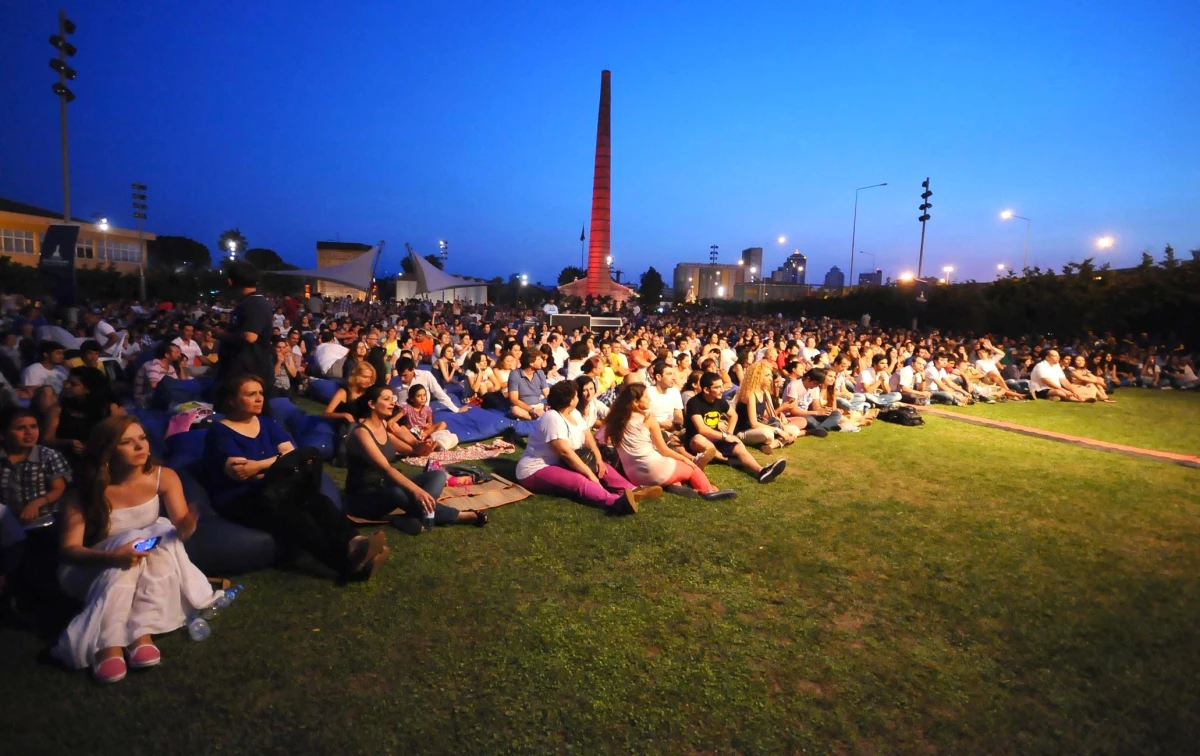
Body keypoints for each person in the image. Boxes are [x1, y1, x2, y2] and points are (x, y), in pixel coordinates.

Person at [51, 416, 215, 683]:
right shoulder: (84, 491)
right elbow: (69, 550)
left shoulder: (165, 476)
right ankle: (111, 643)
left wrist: (187, 525)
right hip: (92, 570)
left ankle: (137, 632)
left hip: (143, 564)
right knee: (139, 537)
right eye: (127, 442)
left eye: (142, 439)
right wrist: (112, 556)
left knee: (158, 534)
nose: (140, 447)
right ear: (107, 450)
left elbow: (180, 534)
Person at [202, 375, 389, 581]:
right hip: (241, 497)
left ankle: (357, 542)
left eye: (261, 393)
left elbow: (291, 455)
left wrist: (259, 466)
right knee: (294, 514)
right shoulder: (220, 431)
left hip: (274, 486)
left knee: (317, 495)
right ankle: (350, 566)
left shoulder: (266, 423)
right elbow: (239, 472)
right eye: (250, 394)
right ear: (231, 399)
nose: (259, 399)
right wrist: (277, 463)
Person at [344, 386, 486, 529]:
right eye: (386, 399)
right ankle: (459, 516)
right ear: (372, 404)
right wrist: (417, 491)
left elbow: (413, 448)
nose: (393, 402)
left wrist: (424, 447)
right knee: (399, 492)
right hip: (363, 498)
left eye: (392, 398)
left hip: (387, 486)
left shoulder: (383, 424)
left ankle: (414, 515)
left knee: (438, 475)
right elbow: (386, 469)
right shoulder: (361, 433)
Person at [517, 381, 659, 514]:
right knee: (579, 481)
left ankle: (632, 490)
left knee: (602, 467)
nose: (578, 396)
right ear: (570, 400)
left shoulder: (573, 413)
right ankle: (615, 502)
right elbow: (564, 452)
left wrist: (597, 458)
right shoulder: (552, 418)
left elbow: (588, 437)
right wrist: (589, 474)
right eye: (576, 394)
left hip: (562, 462)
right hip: (537, 468)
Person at [605, 383, 736, 500]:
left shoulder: (613, 421)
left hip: (634, 476)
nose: (649, 399)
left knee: (673, 472)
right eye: (646, 397)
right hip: (654, 468)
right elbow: (664, 450)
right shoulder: (647, 419)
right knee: (693, 469)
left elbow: (602, 440)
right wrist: (685, 460)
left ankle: (674, 485)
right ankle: (708, 490)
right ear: (635, 402)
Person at [684, 373, 787, 483]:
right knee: (700, 439)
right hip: (697, 441)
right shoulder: (694, 402)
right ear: (706, 390)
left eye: (721, 385)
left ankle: (762, 471)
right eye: (717, 387)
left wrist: (729, 433)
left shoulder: (719, 400)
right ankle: (725, 460)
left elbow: (733, 415)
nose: (722, 389)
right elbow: (701, 429)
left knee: (739, 446)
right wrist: (725, 437)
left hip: (716, 437)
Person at [0, 406, 71, 527]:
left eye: (33, 427)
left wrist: (36, 504)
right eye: (21, 428)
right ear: (3, 434)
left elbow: (59, 488)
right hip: (7, 523)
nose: (29, 432)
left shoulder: (48, 455)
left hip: (43, 521)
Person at [41, 367, 120, 470]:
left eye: (73, 384)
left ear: (88, 389)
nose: (66, 386)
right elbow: (47, 439)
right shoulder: (57, 409)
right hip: (66, 460)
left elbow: (120, 436)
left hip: (100, 459)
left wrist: (92, 447)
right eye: (67, 382)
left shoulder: (109, 409)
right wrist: (68, 442)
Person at [215, 260, 274, 390]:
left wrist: (221, 335)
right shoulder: (249, 302)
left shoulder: (255, 303)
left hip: (249, 374)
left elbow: (250, 336)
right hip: (243, 371)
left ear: (231, 281)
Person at [733, 360, 799, 450]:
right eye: (767, 376)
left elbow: (773, 416)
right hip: (745, 430)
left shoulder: (765, 392)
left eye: (770, 375)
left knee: (794, 430)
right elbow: (754, 424)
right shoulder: (750, 394)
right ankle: (775, 442)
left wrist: (782, 429)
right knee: (768, 435)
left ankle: (770, 446)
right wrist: (778, 430)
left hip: (760, 427)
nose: (770, 379)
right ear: (757, 377)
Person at [781, 366, 842, 435]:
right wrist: (817, 412)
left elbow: (816, 407)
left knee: (836, 414)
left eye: (818, 384)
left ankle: (820, 428)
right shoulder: (794, 386)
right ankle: (826, 426)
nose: (816, 386)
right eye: (815, 383)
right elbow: (793, 411)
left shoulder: (815, 387)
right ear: (808, 379)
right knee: (809, 420)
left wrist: (824, 410)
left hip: (807, 414)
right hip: (793, 416)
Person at [393, 357, 467, 412]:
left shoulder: (426, 375)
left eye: (405, 375)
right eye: (400, 375)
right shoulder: (394, 381)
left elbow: (439, 393)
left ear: (413, 370)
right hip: (403, 414)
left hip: (423, 413)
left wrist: (456, 410)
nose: (402, 379)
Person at [402, 385, 458, 451]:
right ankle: (432, 443)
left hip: (425, 432)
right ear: (412, 398)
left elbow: (430, 422)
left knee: (443, 424)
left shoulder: (427, 409)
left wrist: (428, 425)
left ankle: (432, 440)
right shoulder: (407, 409)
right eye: (419, 396)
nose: (422, 398)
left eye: (424, 395)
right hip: (413, 433)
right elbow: (397, 422)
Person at [133, 341, 185, 408]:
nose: (179, 355)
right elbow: (154, 386)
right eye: (177, 352)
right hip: (144, 400)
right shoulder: (154, 365)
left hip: (158, 397)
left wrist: (179, 365)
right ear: (167, 355)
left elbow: (178, 383)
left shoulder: (170, 368)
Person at [506, 351, 550, 420]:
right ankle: (540, 419)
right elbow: (514, 399)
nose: (542, 361)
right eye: (538, 359)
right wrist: (532, 410)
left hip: (539, 405)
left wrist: (550, 404)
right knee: (515, 410)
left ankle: (539, 418)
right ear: (531, 363)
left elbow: (547, 393)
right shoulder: (515, 374)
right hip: (524, 407)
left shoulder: (540, 373)